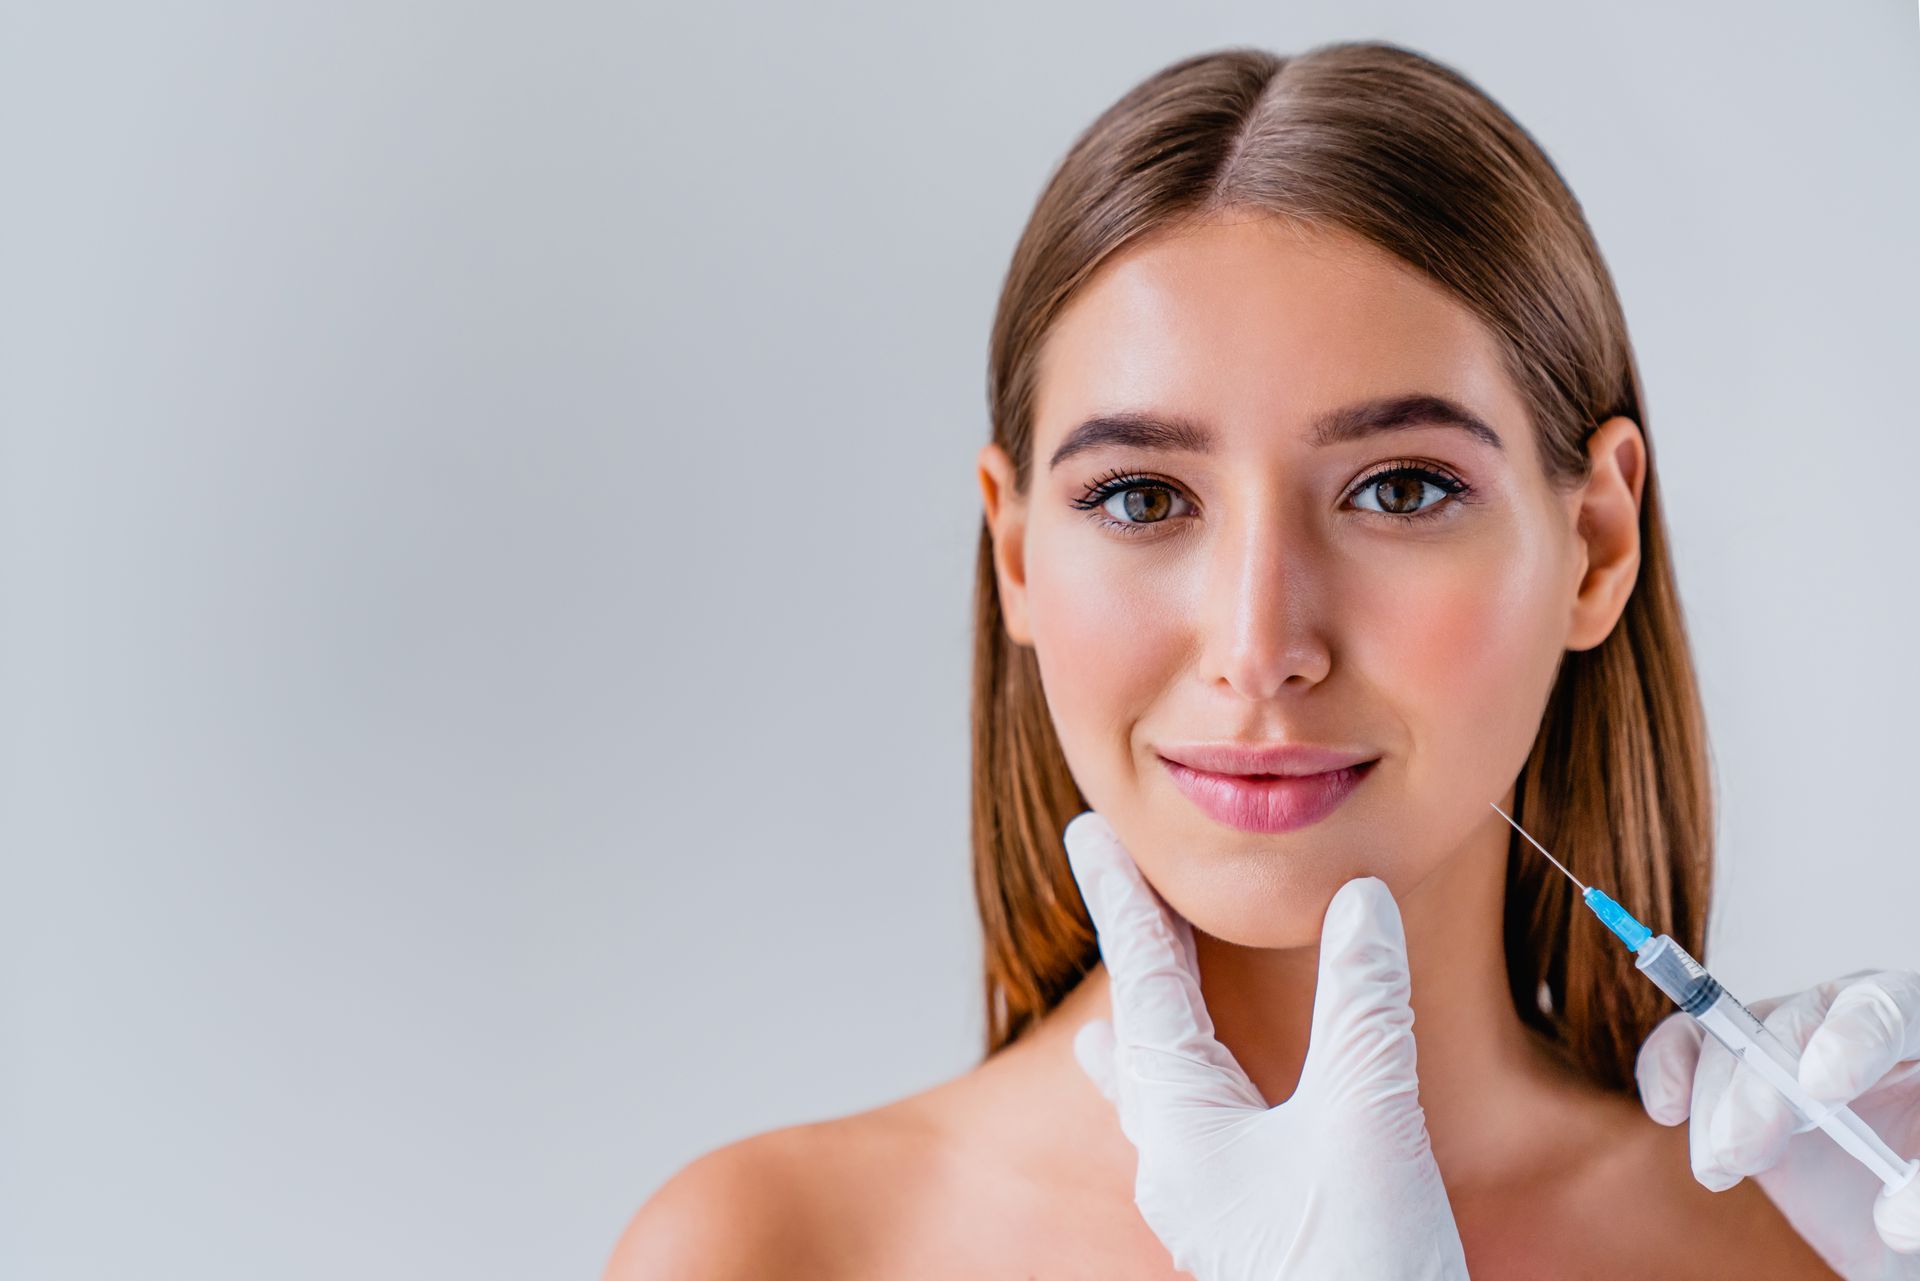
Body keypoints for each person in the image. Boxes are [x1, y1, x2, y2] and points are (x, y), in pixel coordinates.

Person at [606, 39, 1920, 1279]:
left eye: (1398, 489)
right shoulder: (777, 1250)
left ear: (1595, 542)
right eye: (1139, 498)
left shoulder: (1819, 1240)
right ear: (1015, 557)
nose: (1261, 647)